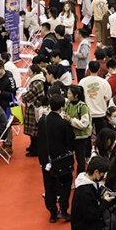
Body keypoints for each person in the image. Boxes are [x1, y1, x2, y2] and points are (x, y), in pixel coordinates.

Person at [41, 94, 76, 222]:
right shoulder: (63, 123)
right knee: (66, 184)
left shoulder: (43, 121)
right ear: (61, 107)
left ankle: (52, 213)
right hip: (62, 160)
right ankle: (63, 209)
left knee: (49, 186)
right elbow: (70, 140)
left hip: (47, 160)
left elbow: (40, 141)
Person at [80, 59, 112, 133]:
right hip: (101, 112)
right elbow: (108, 96)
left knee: (87, 135)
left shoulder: (82, 82)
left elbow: (80, 96)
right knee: (101, 135)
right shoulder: (104, 82)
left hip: (87, 113)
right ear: (99, 69)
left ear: (88, 69)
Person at [66, 85, 93, 170]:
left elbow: (84, 124)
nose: (68, 95)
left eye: (70, 93)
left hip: (80, 137)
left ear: (76, 95)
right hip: (70, 136)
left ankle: (81, 174)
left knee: (80, 159)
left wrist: (71, 120)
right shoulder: (68, 104)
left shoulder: (82, 107)